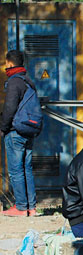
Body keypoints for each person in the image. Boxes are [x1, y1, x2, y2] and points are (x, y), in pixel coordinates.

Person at [1, 50, 37, 216]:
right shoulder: (28, 81)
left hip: (15, 131)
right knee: (26, 168)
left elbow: (10, 108)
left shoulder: (14, 82)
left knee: (16, 170)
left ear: (9, 63)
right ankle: (31, 207)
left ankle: (21, 207)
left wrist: (3, 127)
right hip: (28, 129)